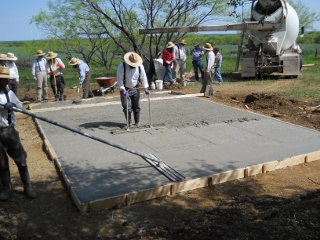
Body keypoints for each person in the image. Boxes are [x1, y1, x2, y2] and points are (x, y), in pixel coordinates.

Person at [0, 66, 37, 201]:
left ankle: (27, 186)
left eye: (5, 80)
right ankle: (5, 188)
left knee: (21, 160)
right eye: (2, 80)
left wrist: (12, 106)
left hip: (9, 131)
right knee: (2, 164)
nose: (4, 82)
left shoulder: (8, 94)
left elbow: (19, 106)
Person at [116, 52, 149, 127]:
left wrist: (145, 87)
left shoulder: (140, 66)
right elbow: (119, 79)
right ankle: (129, 123)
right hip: (125, 88)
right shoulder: (122, 66)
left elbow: (143, 77)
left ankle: (137, 122)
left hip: (135, 87)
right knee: (127, 107)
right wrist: (122, 89)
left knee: (136, 106)